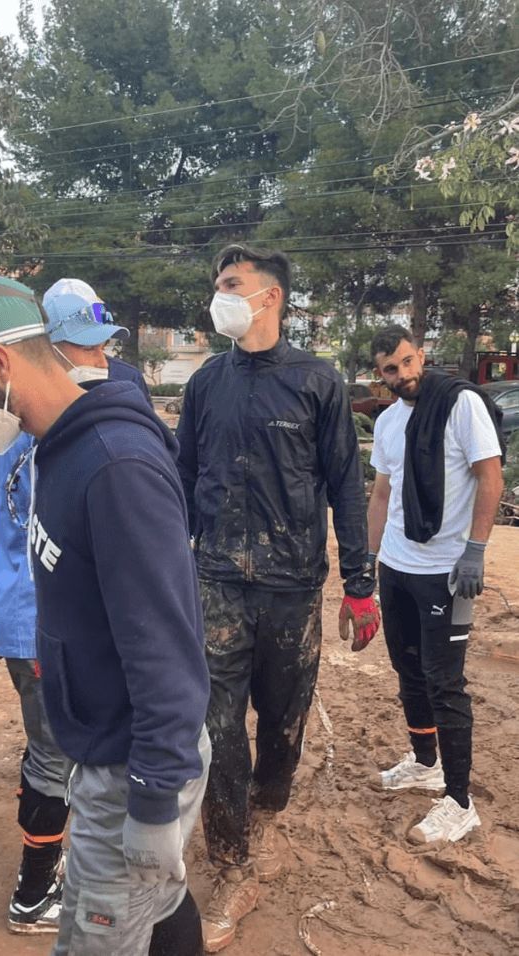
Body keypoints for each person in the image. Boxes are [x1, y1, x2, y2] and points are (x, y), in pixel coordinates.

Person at [0, 274, 211, 956]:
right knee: (154, 910)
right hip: (100, 747)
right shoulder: (57, 451)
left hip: (132, 763)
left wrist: (155, 796)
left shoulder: (113, 466)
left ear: (0, 364)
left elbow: (166, 646)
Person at [176, 243, 378, 953]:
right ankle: (232, 862)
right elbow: (183, 478)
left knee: (283, 721)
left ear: (271, 297)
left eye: (231, 285)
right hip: (218, 583)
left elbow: (346, 486)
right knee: (217, 726)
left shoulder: (318, 381)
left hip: (294, 586)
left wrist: (360, 584)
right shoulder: (205, 384)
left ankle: (267, 798)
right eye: (217, 285)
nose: (219, 296)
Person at [0, 276, 150, 935]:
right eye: (84, 350)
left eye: (103, 346)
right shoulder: (38, 425)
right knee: (56, 754)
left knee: (47, 749)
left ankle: (46, 873)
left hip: (25, 613)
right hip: (38, 621)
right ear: (45, 351)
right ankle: (31, 895)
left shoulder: (17, 416)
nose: (100, 362)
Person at [367, 324, 504, 844]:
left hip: (447, 571)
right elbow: (381, 495)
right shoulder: (387, 423)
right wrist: (371, 560)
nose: (403, 375)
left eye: (407, 362)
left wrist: (475, 550)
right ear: (379, 376)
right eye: (390, 370)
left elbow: (490, 477)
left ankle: (459, 801)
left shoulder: (460, 405)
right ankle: (425, 762)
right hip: (399, 568)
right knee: (408, 669)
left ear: (420, 354)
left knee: (446, 683)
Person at [42, 277, 152, 402]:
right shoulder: (24, 390)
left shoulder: (128, 379)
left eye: (103, 346)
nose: (103, 364)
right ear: (50, 347)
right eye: (89, 348)